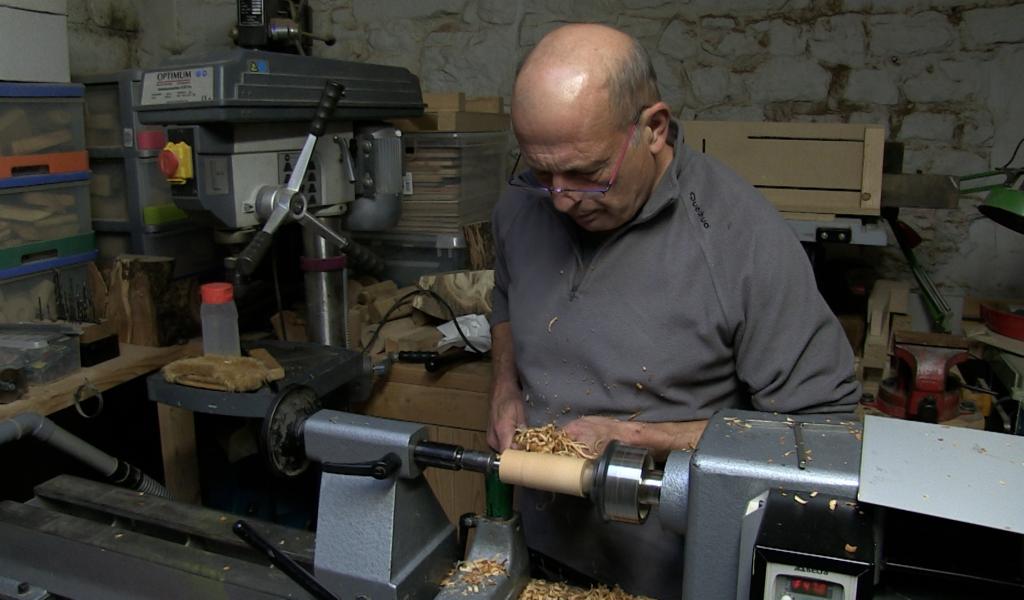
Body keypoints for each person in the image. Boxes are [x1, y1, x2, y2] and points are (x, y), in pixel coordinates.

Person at [486, 23, 861, 599]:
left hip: (675, 575)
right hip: (537, 555)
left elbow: (826, 432)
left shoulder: (742, 240)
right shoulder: (523, 201)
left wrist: (637, 437)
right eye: (542, 173)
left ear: (653, 128)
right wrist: (505, 386)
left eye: (587, 175)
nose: (560, 198)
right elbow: (507, 295)